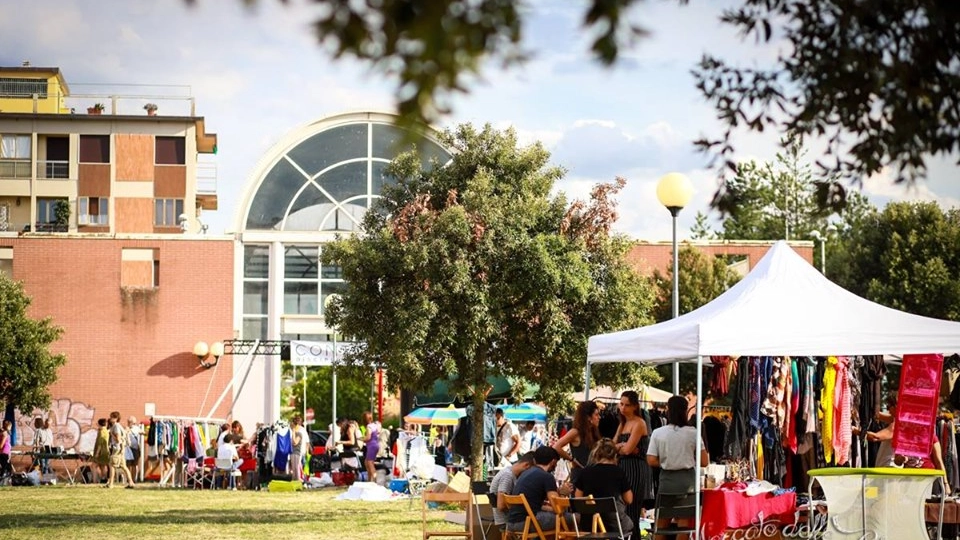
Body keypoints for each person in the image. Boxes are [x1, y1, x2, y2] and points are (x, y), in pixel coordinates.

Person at [647, 395, 709, 539]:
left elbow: (650, 460)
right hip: (687, 483)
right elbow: (705, 461)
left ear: (668, 410)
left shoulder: (658, 433)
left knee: (661, 524)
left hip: (667, 483)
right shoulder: (693, 433)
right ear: (685, 411)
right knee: (684, 524)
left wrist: (666, 462)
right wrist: (686, 458)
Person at [614, 390, 654, 537]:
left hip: (635, 468)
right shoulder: (623, 423)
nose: (623, 408)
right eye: (621, 404)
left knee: (632, 508)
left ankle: (634, 536)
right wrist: (621, 446)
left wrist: (621, 447)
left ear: (635, 406)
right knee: (623, 507)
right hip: (622, 467)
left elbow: (627, 449)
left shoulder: (639, 423)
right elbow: (613, 446)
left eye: (627, 405)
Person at [574, 438, 634, 534]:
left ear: (596, 455)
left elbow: (578, 499)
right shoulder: (618, 472)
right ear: (615, 455)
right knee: (630, 524)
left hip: (588, 525)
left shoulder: (584, 472)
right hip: (613, 525)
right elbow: (629, 499)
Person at [506, 446, 566, 534]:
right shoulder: (547, 477)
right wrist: (563, 494)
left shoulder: (525, 473)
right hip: (527, 522)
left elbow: (533, 504)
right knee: (575, 518)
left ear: (534, 461)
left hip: (511, 523)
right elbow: (558, 509)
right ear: (553, 462)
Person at [553, 400, 602, 484]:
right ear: (588, 417)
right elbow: (557, 446)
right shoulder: (576, 432)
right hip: (580, 475)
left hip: (593, 474)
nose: (599, 417)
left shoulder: (593, 432)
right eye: (596, 414)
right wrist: (571, 459)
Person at [489, 451, 535, 531]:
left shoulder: (510, 472)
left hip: (511, 518)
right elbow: (501, 505)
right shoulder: (507, 476)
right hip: (508, 520)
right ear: (526, 465)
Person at [106, 411, 135, 488]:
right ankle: (131, 483)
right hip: (122, 449)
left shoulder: (116, 426)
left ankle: (111, 484)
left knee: (112, 465)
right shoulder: (119, 426)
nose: (111, 418)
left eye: (112, 417)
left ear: (116, 418)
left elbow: (118, 439)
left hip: (117, 448)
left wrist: (111, 434)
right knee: (124, 466)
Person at [361, 411, 381, 483]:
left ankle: (374, 481)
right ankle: (369, 480)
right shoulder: (375, 425)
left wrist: (361, 439)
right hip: (375, 445)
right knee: (366, 462)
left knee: (370, 463)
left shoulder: (369, 426)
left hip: (371, 446)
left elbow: (368, 438)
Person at [290, 416, 308, 481]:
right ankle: (294, 481)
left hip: (298, 452)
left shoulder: (300, 433)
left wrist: (293, 431)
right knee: (294, 469)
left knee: (297, 468)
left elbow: (294, 442)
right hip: (293, 452)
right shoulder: (293, 433)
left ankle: (300, 481)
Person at [92, 418, 110, 483]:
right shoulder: (106, 431)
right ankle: (104, 478)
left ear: (99, 424)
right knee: (103, 466)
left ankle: (95, 480)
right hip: (106, 451)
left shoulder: (101, 432)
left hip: (101, 452)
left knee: (94, 465)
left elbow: (100, 443)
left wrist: (97, 453)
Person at [125, 416, 142, 482]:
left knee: (134, 464)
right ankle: (129, 479)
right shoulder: (126, 428)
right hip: (128, 449)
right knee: (128, 464)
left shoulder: (137, 428)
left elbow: (142, 432)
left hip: (135, 448)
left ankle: (133, 479)